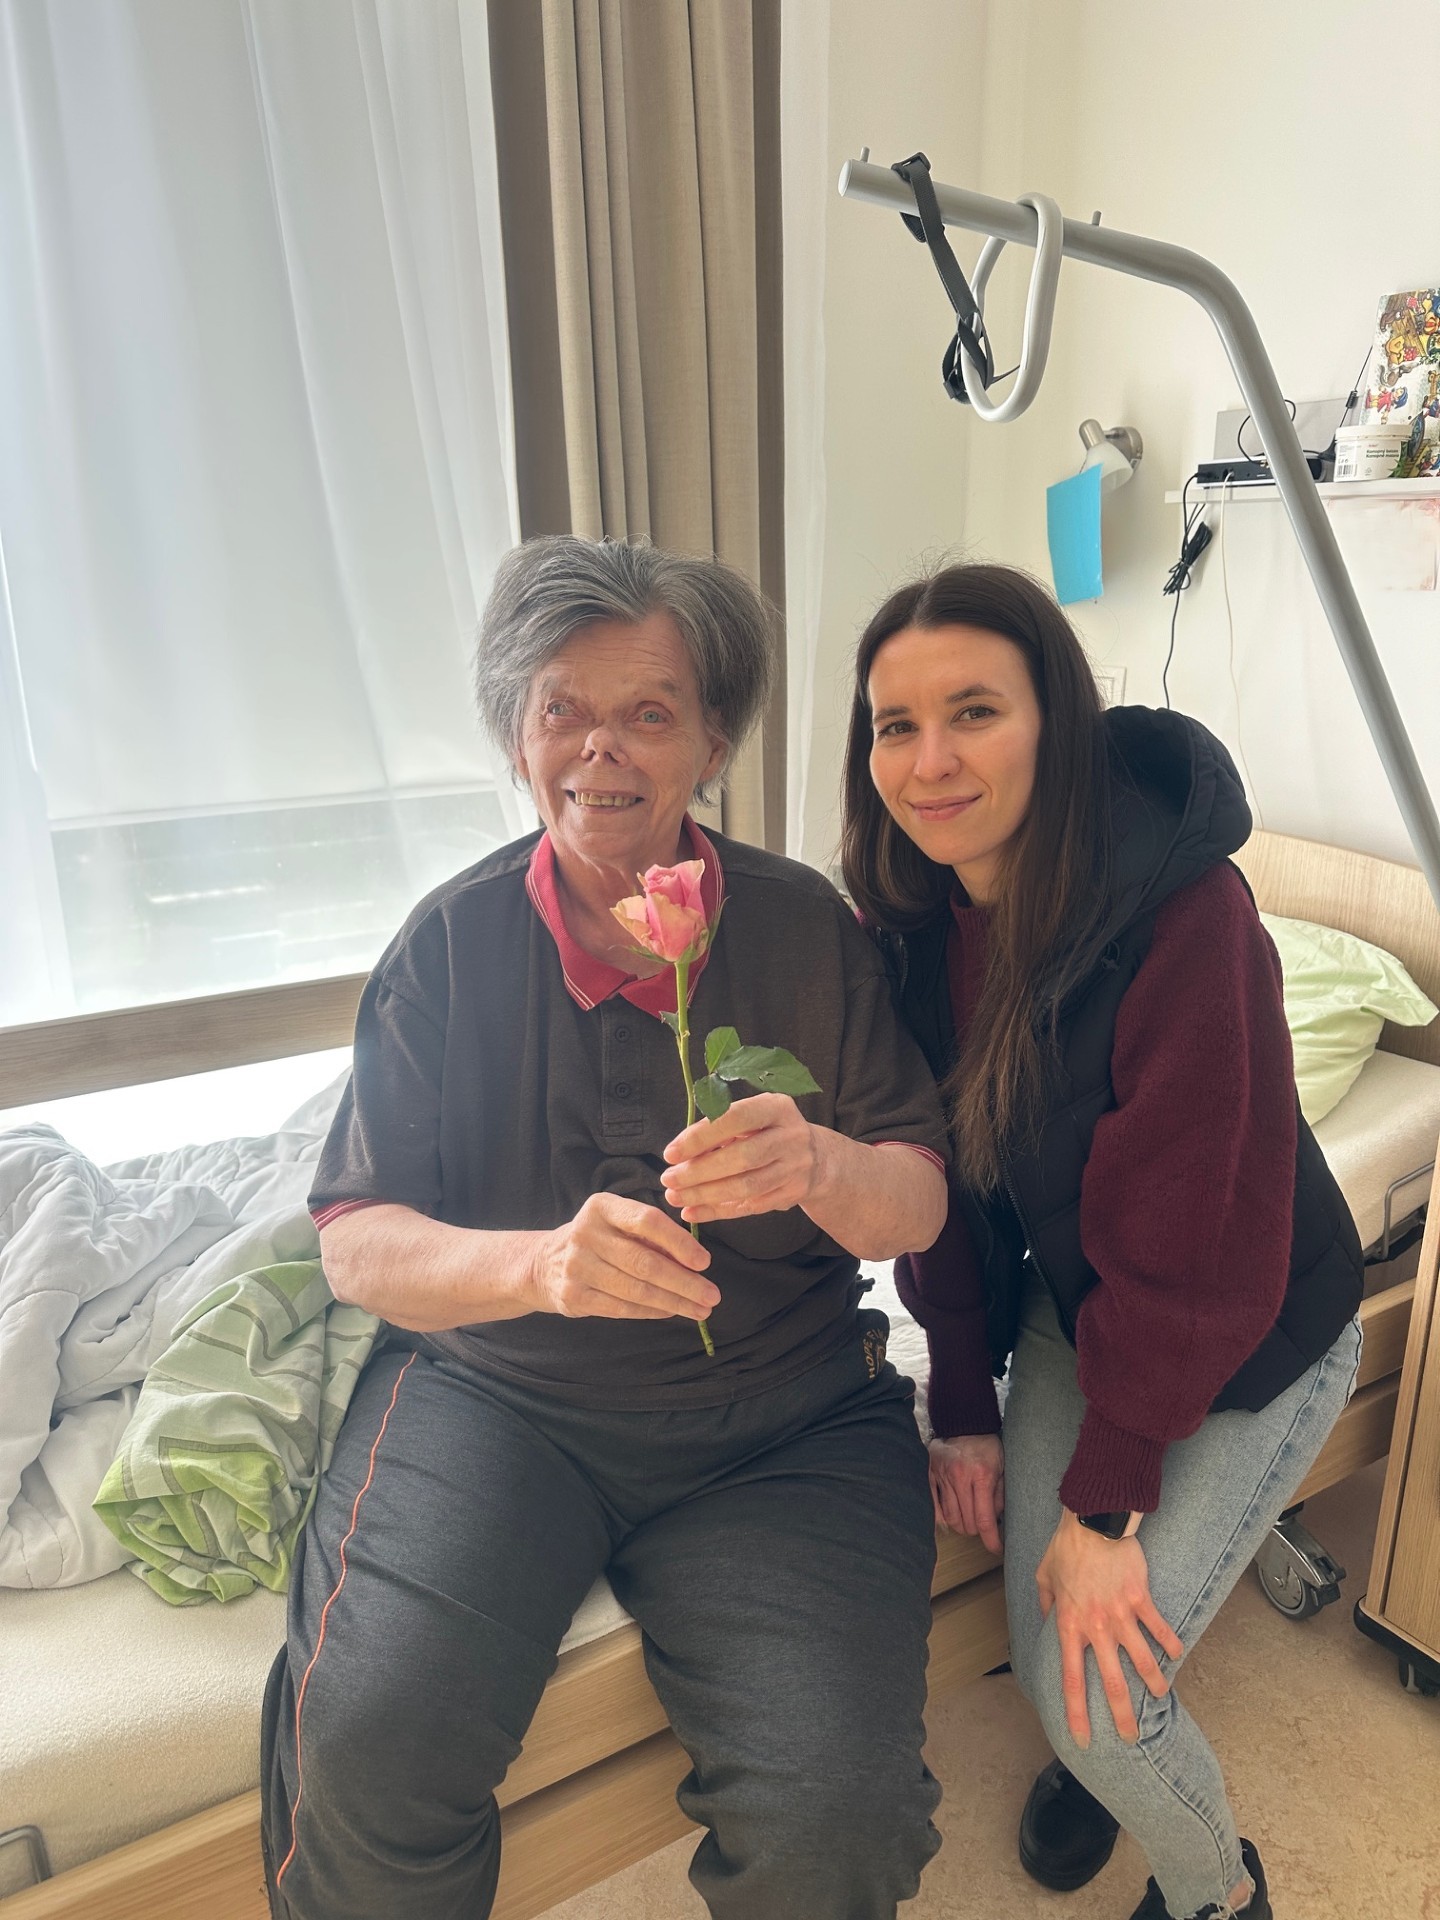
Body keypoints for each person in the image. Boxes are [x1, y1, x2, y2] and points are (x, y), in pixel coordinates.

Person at [260, 534, 954, 1920]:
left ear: (712, 744)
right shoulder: (449, 946)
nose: (601, 748)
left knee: (839, 1814)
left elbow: (919, 1195)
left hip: (784, 1422)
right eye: (561, 708)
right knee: (370, 1740)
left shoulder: (804, 929)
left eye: (649, 712)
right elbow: (353, 1238)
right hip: (498, 1402)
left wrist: (820, 1164)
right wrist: (536, 1266)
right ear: (517, 736)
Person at [840, 563, 1364, 1920]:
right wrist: (965, 1399)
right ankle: (1100, 1751)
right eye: (897, 725)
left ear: (1055, 722)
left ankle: (1217, 1893)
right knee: (1053, 1650)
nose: (930, 761)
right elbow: (942, 1186)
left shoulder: (1188, 918)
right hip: (1085, 1306)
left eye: (974, 711)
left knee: (1097, 1704)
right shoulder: (910, 926)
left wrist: (1108, 1503)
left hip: (1251, 1325)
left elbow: (1194, 1250)